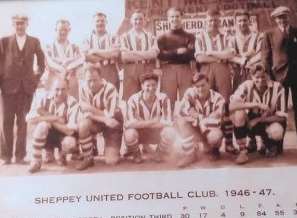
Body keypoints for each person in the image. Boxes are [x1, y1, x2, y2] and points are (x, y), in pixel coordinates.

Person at [0, 14, 45, 165]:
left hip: (26, 89)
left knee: (22, 122)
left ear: (27, 24)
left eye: (22, 23)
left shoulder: (34, 41)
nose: (19, 26)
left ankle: (20, 156)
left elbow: (41, 62)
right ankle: (5, 156)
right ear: (13, 24)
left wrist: (35, 80)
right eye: (17, 23)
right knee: (6, 122)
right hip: (7, 88)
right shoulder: (4, 41)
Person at [230, 65, 287, 164]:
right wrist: (257, 104)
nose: (260, 80)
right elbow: (232, 106)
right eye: (257, 77)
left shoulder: (278, 87)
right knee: (239, 114)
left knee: (276, 132)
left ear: (267, 76)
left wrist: (259, 120)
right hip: (250, 121)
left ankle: (268, 143)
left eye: (263, 76)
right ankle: (243, 151)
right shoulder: (246, 86)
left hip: (268, 121)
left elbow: (282, 118)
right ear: (251, 77)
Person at [26, 79, 79, 173]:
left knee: (70, 142)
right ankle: (36, 160)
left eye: (63, 89)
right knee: (42, 125)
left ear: (68, 89)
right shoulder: (44, 98)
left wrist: (46, 116)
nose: (59, 93)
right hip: (48, 135)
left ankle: (61, 154)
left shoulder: (73, 103)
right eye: (57, 89)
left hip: (63, 136)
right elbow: (30, 119)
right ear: (52, 89)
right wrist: (55, 118)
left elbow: (69, 131)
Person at [77, 65, 123, 170]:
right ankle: (88, 157)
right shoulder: (83, 88)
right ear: (85, 79)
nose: (92, 84)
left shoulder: (110, 89)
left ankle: (113, 146)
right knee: (83, 124)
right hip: (99, 121)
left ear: (101, 78)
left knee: (111, 161)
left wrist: (91, 110)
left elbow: (110, 116)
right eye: (89, 80)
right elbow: (84, 113)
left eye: (95, 80)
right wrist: (103, 118)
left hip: (113, 123)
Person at [262, 6, 297, 144]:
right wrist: (269, 77)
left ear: (289, 17)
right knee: (280, 110)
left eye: (285, 16)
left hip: (296, 76)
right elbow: (265, 58)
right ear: (275, 19)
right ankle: (277, 143)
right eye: (279, 17)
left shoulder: (295, 32)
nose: (282, 20)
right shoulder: (269, 34)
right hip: (279, 77)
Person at [176, 73, 226, 166]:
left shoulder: (218, 98)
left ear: (209, 84)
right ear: (193, 87)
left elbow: (216, 121)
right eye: (197, 86)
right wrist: (201, 118)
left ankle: (214, 149)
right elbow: (181, 111)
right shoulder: (189, 93)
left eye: (203, 85)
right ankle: (190, 154)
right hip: (198, 128)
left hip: (211, 129)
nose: (200, 89)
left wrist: (195, 115)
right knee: (181, 121)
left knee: (215, 136)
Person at [124, 72, 173, 163]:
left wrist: (140, 123)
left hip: (155, 133)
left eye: (154, 85)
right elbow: (129, 124)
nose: (151, 88)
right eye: (148, 85)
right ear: (142, 86)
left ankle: (160, 153)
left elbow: (168, 122)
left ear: (157, 85)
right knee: (129, 134)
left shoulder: (164, 98)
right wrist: (153, 122)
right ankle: (136, 154)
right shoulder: (133, 99)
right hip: (140, 133)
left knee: (170, 131)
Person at [157, 7, 195, 110]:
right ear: (168, 19)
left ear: (181, 17)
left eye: (177, 16)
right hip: (168, 69)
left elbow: (191, 54)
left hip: (185, 69)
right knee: (168, 101)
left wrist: (169, 54)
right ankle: (169, 123)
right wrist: (176, 52)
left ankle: (186, 123)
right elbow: (160, 55)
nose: (175, 19)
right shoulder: (162, 37)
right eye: (172, 17)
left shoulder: (190, 36)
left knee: (187, 100)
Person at [195, 8, 233, 100]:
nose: (213, 23)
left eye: (216, 20)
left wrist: (211, 55)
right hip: (206, 68)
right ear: (206, 22)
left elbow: (230, 54)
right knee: (207, 94)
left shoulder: (225, 36)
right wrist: (220, 58)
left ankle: (225, 113)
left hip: (223, 68)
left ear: (219, 21)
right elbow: (200, 58)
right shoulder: (200, 36)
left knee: (225, 95)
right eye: (210, 20)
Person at [120, 10, 159, 101]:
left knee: (148, 96)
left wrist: (133, 53)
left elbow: (154, 54)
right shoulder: (125, 36)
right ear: (131, 21)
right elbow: (125, 56)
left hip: (147, 68)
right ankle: (131, 115)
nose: (138, 21)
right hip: (131, 68)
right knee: (130, 98)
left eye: (141, 19)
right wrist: (146, 54)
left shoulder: (150, 36)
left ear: (145, 20)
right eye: (135, 19)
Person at [43, 19, 84, 100]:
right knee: (52, 109)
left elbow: (82, 59)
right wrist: (68, 63)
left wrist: (67, 62)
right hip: (53, 85)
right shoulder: (48, 47)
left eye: (65, 30)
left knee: (72, 108)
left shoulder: (74, 47)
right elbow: (50, 63)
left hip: (71, 87)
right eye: (60, 30)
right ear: (55, 30)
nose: (63, 32)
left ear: (69, 30)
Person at [82, 12, 121, 89]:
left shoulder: (113, 37)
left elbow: (115, 54)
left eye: (102, 21)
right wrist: (108, 54)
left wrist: (94, 51)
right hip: (92, 72)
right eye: (97, 21)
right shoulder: (87, 39)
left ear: (106, 22)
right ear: (93, 23)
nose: (100, 23)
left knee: (111, 96)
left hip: (110, 72)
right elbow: (87, 57)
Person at [228, 10, 263, 91]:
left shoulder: (258, 36)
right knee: (239, 96)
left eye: (244, 20)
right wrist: (241, 60)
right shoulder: (232, 39)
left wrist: (248, 61)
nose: (242, 23)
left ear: (249, 21)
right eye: (239, 21)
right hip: (238, 73)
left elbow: (260, 53)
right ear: (236, 22)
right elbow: (230, 56)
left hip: (254, 72)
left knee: (255, 95)